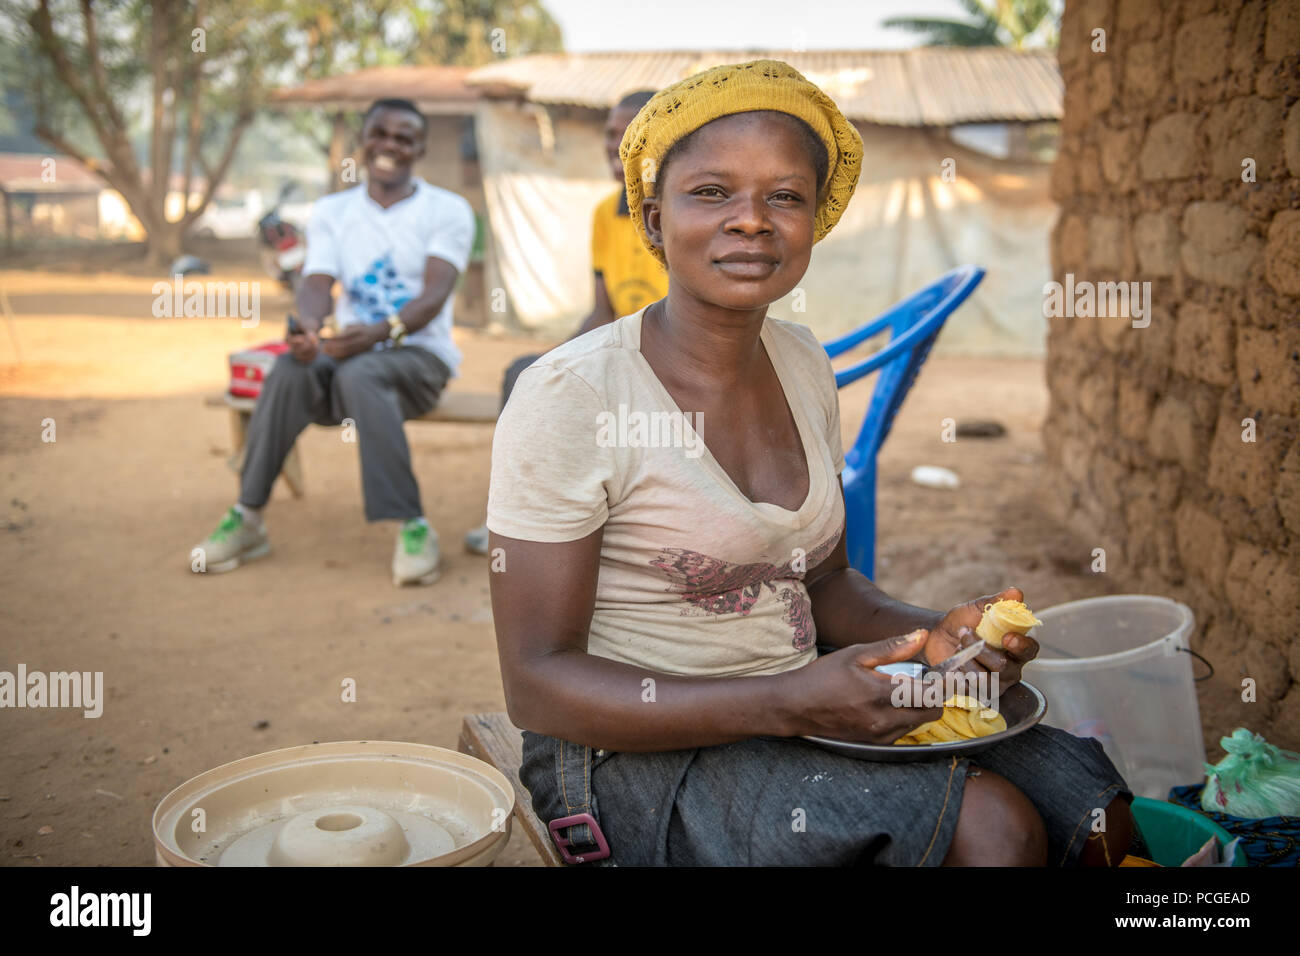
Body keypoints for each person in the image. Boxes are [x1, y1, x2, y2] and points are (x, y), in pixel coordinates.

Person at [486, 61, 1135, 866]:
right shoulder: (570, 396)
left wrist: (938, 639)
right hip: (627, 757)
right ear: (654, 220)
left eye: (784, 196)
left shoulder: (800, 362)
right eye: (712, 193)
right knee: (991, 828)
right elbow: (537, 684)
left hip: (795, 689)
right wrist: (786, 703)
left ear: (813, 223)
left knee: (1094, 807)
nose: (751, 221)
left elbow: (823, 587)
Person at [192, 98, 476, 587]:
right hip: (349, 359)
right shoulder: (333, 211)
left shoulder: (447, 210)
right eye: (380, 134)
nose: (390, 146)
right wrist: (306, 327)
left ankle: (413, 525)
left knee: (361, 370)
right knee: (288, 369)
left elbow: (434, 295)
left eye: (404, 138)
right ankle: (248, 516)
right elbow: (318, 282)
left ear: (421, 148)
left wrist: (382, 332)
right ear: (362, 142)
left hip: (419, 359)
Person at [463, 90, 667, 555]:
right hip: (622, 351)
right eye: (610, 135)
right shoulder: (605, 214)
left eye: (628, 135)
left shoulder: (684, 211)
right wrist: (552, 362)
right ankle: (519, 513)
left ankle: (599, 520)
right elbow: (603, 309)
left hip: (669, 357)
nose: (614, 146)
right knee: (525, 376)